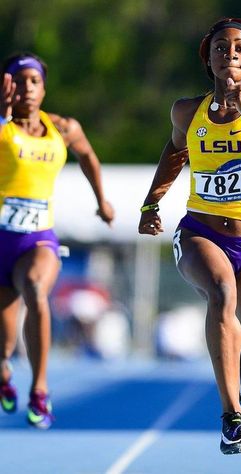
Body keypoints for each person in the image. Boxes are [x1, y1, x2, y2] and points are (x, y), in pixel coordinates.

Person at [139, 18, 241, 454]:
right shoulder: (187, 111)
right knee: (220, 292)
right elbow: (176, 151)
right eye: (220, 48)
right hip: (200, 232)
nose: (230, 54)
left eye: (240, 48)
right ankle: (232, 415)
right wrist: (151, 203)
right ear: (207, 59)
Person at [0, 52, 114, 429]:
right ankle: (5, 374)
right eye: (19, 82)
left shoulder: (63, 127)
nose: (27, 90)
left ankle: (40, 389)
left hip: (37, 238)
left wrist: (103, 202)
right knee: (3, 346)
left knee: (36, 288)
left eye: (34, 81)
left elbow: (88, 158)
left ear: (44, 88)